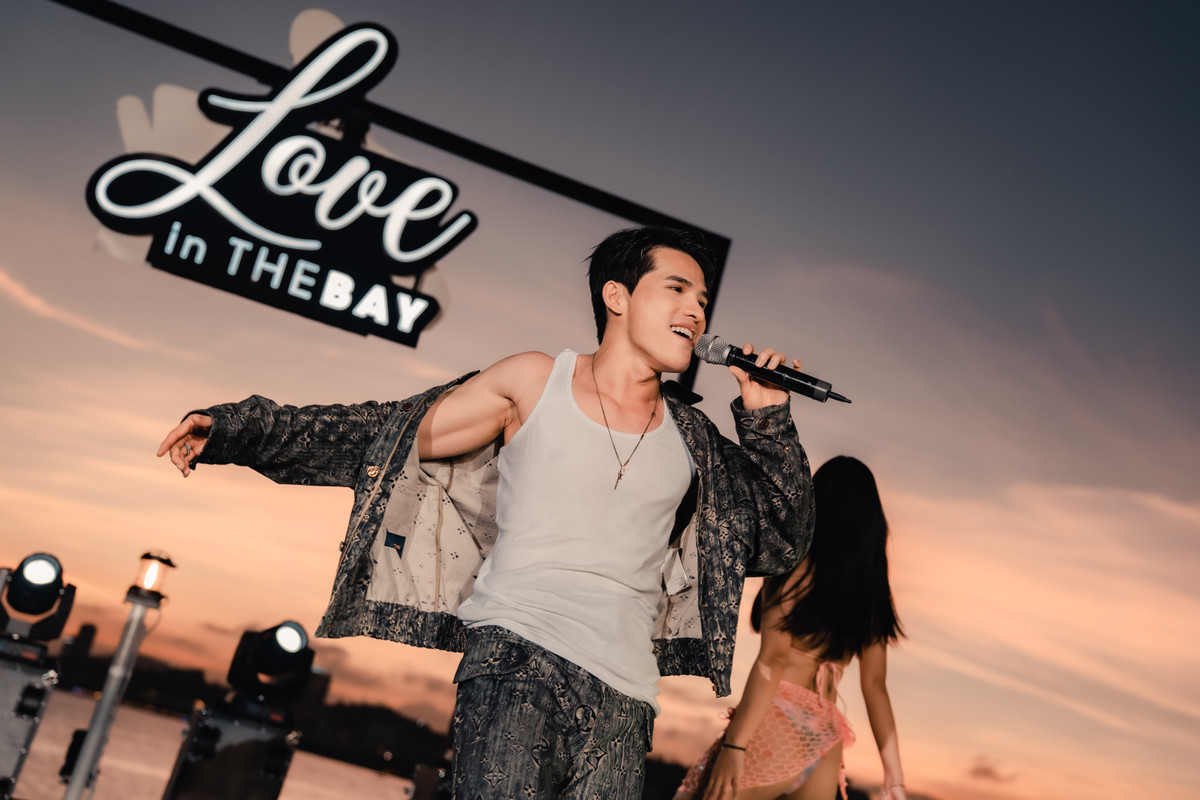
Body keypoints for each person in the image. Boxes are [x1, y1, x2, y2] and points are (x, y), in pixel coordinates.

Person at [158, 226, 816, 800]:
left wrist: (768, 419)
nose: (696, 310)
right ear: (617, 296)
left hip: (627, 698)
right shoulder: (536, 382)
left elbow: (782, 541)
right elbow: (385, 434)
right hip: (516, 663)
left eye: (703, 298)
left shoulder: (695, 439)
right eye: (677, 289)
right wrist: (239, 429)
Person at [672, 456, 906, 800]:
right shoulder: (870, 595)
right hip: (824, 740)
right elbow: (875, 687)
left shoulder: (794, 565)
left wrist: (735, 746)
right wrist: (894, 777)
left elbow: (775, 660)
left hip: (776, 724)